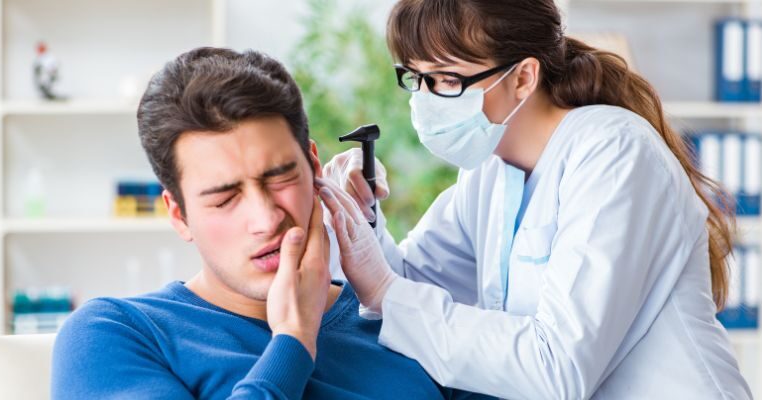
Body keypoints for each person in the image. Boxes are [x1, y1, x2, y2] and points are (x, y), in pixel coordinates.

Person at [319, 0, 752, 398]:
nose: (425, 101)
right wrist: (359, 218)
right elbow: (408, 285)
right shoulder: (488, 170)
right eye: (416, 78)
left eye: (447, 79)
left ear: (523, 76)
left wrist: (387, 292)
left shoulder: (614, 153)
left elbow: (557, 368)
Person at [51, 47, 489, 400]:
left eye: (280, 178)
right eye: (225, 199)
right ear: (179, 215)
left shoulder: (407, 318)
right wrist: (293, 341)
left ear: (314, 166)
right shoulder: (115, 334)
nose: (266, 220)